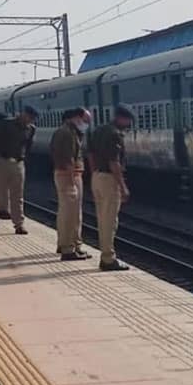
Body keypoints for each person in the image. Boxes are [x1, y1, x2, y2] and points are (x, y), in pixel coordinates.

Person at [88, 104, 134, 271]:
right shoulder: (114, 134)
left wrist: (94, 174)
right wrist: (122, 186)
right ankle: (108, 259)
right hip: (109, 179)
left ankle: (106, 255)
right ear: (122, 118)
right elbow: (114, 162)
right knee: (109, 221)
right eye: (128, 121)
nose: (128, 124)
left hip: (97, 177)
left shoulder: (99, 130)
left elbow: (90, 154)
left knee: (102, 219)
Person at [0, 105, 37, 235]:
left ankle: (19, 224)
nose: (30, 121)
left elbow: (28, 145)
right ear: (23, 114)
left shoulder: (30, 129)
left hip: (18, 163)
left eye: (32, 119)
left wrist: (24, 158)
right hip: (2, 161)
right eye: (29, 117)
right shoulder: (6, 124)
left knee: (18, 195)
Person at [50, 107, 92, 260]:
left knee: (66, 213)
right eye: (85, 120)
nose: (86, 124)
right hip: (69, 176)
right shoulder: (67, 133)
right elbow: (69, 159)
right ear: (76, 118)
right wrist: (71, 182)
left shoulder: (65, 131)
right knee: (71, 214)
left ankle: (67, 244)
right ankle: (69, 249)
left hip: (66, 175)